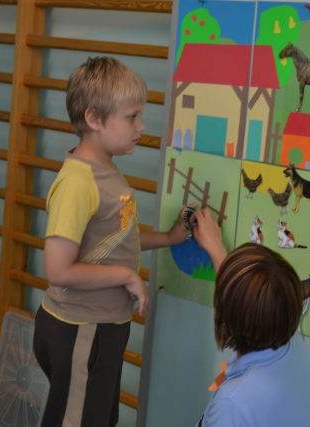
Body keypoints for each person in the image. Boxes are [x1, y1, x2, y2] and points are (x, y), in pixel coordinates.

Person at [33, 56, 194, 427]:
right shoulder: (78, 183)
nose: (141, 126)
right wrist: (127, 276)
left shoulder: (105, 171)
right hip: (80, 329)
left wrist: (168, 238)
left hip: (102, 329)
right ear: (94, 119)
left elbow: (117, 240)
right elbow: (58, 270)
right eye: (132, 117)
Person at [190, 211, 310, 427]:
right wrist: (216, 249)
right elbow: (251, 303)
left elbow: (244, 303)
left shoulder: (232, 404)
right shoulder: (292, 345)